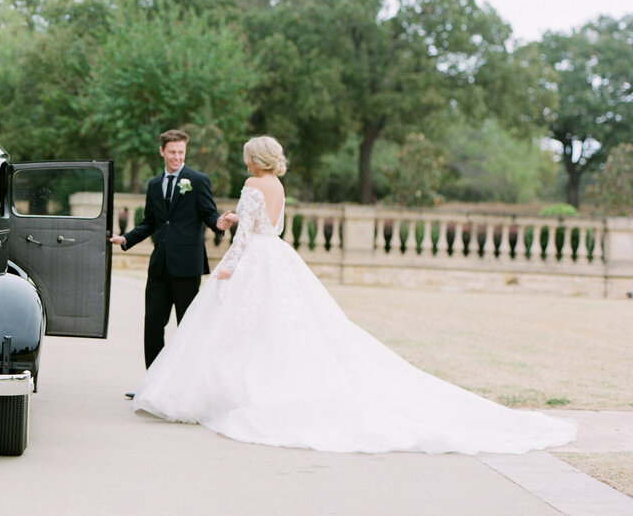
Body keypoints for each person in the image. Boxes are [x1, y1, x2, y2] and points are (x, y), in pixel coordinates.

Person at [132, 135, 577, 454]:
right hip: (279, 259)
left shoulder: (252, 187)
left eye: (249, 157)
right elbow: (276, 229)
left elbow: (245, 237)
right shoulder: (279, 187)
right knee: (279, 330)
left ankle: (229, 395)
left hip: (254, 261)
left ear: (256, 160)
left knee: (240, 330)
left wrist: (227, 267)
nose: (246, 163)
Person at [109, 129, 226, 370]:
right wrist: (126, 239)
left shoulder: (198, 180)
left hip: (187, 266)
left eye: (181, 152)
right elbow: (150, 222)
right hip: (160, 265)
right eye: (172, 152)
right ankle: (153, 382)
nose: (177, 157)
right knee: (152, 324)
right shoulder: (154, 184)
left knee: (188, 326)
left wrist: (218, 223)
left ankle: (185, 382)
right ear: (162, 151)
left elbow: (209, 213)